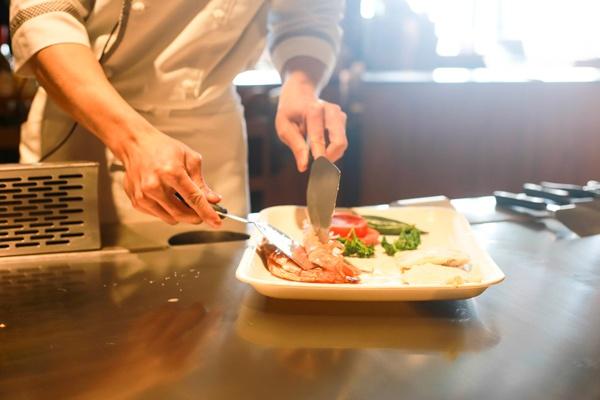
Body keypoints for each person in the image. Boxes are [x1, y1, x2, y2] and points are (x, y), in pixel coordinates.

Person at [9, 0, 348, 227]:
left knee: (217, 311)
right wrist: (132, 141)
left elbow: (309, 16)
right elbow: (44, 16)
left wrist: (301, 86)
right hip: (89, 121)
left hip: (212, 132)